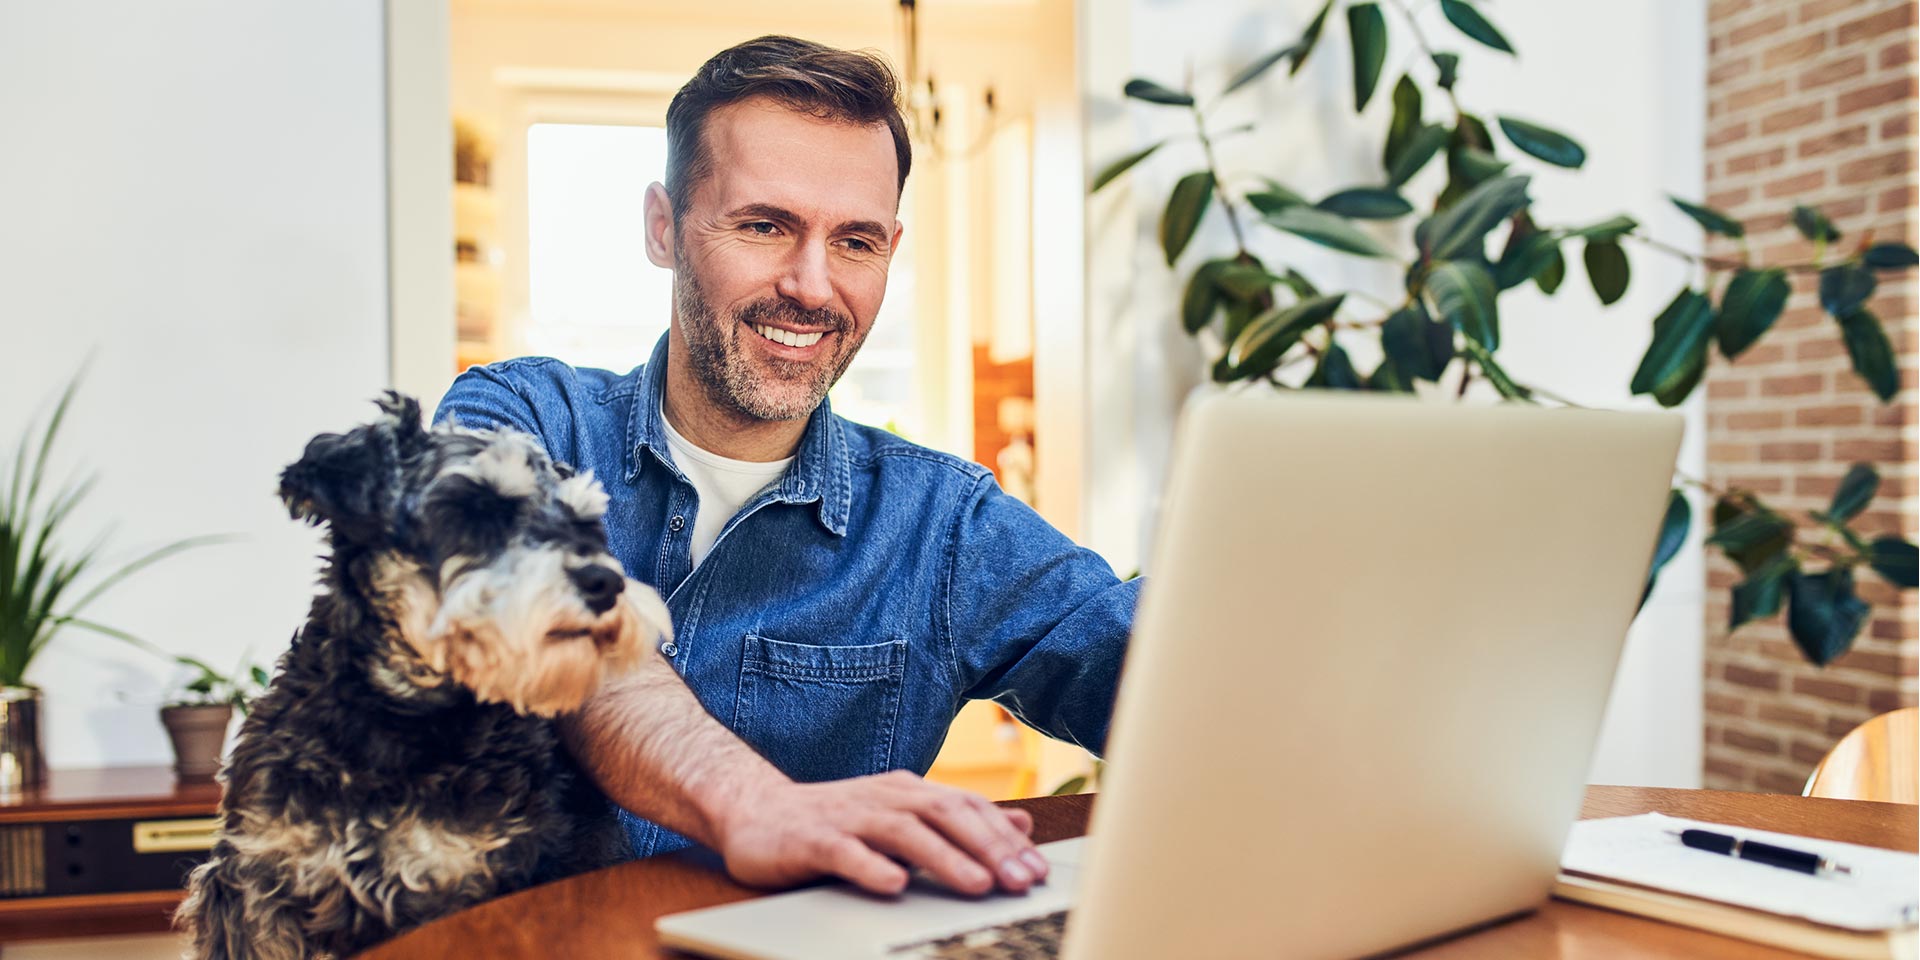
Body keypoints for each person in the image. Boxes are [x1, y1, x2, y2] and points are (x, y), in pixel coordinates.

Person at [435, 35, 1138, 898]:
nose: (811, 286)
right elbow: (542, 609)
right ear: (663, 227)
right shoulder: (526, 415)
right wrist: (753, 803)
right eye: (765, 226)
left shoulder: (944, 526)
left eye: (856, 242)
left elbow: (1163, 681)